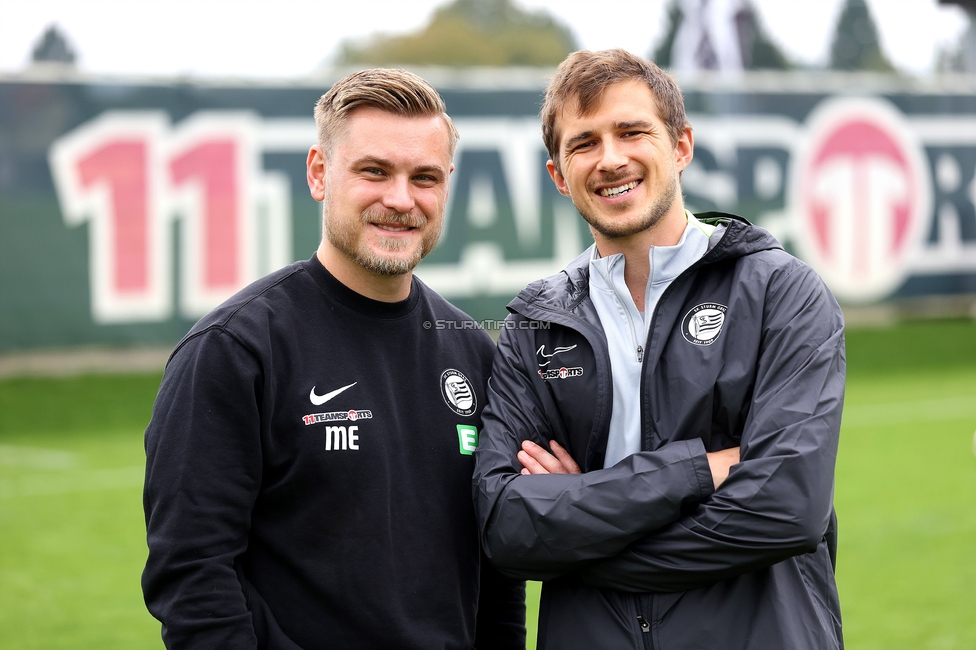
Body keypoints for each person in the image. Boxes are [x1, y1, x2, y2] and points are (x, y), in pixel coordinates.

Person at [473, 49, 845, 649]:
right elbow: (509, 528)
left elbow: (784, 507)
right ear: (558, 175)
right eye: (584, 142)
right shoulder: (535, 321)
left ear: (680, 146)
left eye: (631, 131)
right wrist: (699, 469)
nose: (611, 158)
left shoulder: (780, 290)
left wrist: (582, 536)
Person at [143, 68, 525, 649]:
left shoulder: (473, 350)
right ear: (320, 173)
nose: (400, 200)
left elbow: (497, 574)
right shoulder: (234, 350)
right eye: (374, 171)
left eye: (424, 177)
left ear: (447, 184)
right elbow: (192, 574)